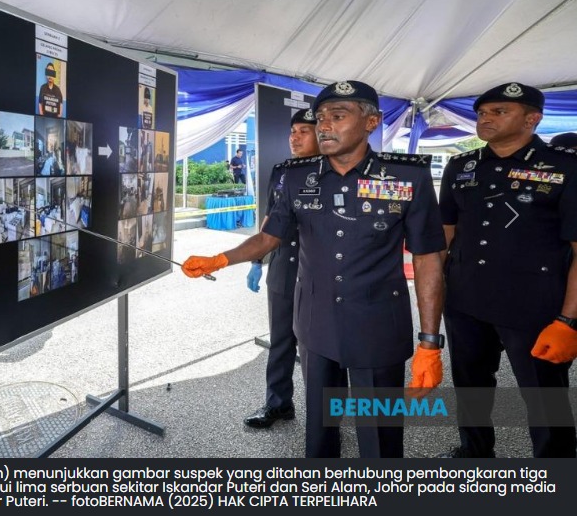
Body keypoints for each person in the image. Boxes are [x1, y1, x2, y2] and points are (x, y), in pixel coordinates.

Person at [182, 80, 446, 458]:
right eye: (321, 118)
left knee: (379, 436)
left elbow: (427, 258)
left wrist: (430, 341)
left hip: (377, 326)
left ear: (371, 122)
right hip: (315, 323)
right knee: (320, 430)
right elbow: (269, 237)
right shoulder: (296, 177)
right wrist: (221, 259)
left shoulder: (406, 178)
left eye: (337, 116)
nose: (324, 126)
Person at [437, 82, 577, 458]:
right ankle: (474, 453)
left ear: (532, 119)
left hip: (534, 306)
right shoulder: (461, 166)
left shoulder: (565, 167)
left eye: (500, 112)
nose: (486, 118)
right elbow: (443, 235)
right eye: (483, 112)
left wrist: (568, 320)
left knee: (544, 398)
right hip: (465, 299)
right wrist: (433, 298)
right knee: (470, 386)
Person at [243, 108, 319, 428]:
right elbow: (269, 217)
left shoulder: (335, 170)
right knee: (281, 340)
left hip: (318, 270)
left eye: (304, 131)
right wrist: (256, 260)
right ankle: (278, 404)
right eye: (293, 131)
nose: (295, 137)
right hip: (283, 266)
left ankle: (323, 418)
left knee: (318, 348)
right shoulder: (281, 171)